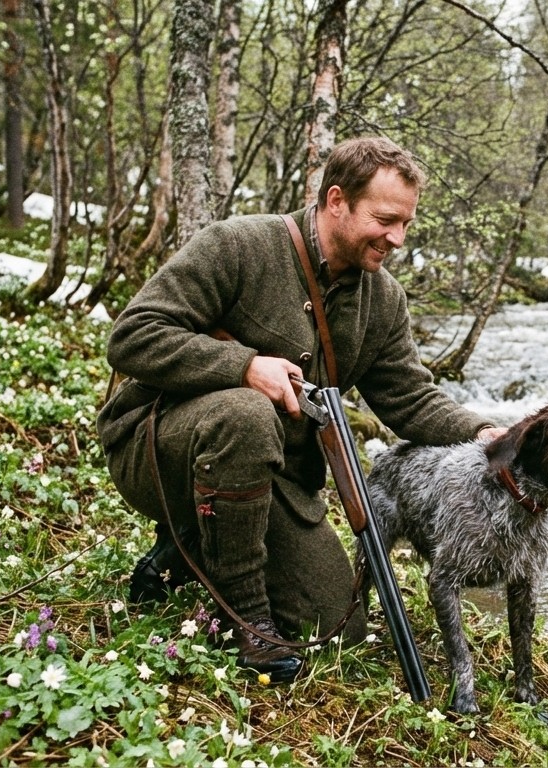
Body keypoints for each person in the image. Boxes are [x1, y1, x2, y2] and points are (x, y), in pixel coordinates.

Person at [97, 136, 505, 683]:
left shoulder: (383, 300)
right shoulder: (238, 245)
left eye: (406, 223)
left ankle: (186, 547)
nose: (398, 238)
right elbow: (133, 336)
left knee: (334, 625)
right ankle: (250, 624)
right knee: (246, 414)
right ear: (336, 201)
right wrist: (244, 366)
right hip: (156, 450)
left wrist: (487, 433)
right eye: (385, 220)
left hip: (275, 478)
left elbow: (410, 397)